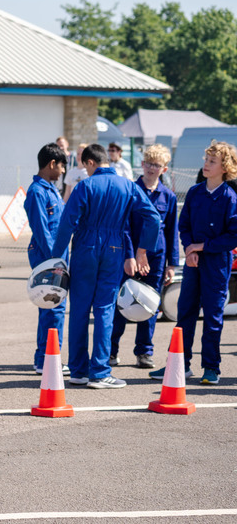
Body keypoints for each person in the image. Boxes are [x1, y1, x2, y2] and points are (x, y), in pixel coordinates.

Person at [51, 143, 160, 389]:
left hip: (84, 248)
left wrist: (56, 259)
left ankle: (78, 371)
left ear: (91, 162)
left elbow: (67, 223)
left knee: (79, 309)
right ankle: (100, 372)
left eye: (84, 165)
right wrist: (143, 250)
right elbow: (153, 217)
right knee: (105, 309)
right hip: (114, 249)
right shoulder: (128, 186)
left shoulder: (85, 186)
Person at [151, 141, 237, 386]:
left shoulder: (230, 197)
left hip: (217, 263)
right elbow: (184, 225)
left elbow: (233, 235)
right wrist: (189, 249)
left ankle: (211, 367)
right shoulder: (195, 192)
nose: (206, 165)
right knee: (185, 312)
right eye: (206, 160)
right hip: (192, 262)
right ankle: (178, 363)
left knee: (212, 316)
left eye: (212, 161)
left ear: (225, 167)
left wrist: (203, 247)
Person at [109, 144, 178, 370]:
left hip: (156, 259)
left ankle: (144, 352)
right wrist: (130, 256)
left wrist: (172, 264)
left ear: (164, 170)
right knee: (122, 303)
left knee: (149, 306)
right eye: (148, 163)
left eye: (156, 165)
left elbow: (171, 231)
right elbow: (124, 227)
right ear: (142, 164)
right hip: (129, 257)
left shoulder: (168, 196)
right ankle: (111, 351)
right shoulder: (129, 190)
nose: (151, 168)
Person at [24, 143, 68, 374]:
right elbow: (42, 229)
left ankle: (45, 358)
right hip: (48, 256)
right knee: (53, 306)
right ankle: (47, 360)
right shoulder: (37, 192)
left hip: (55, 255)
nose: (63, 171)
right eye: (61, 166)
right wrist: (55, 261)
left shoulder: (49, 188)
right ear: (52, 164)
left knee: (51, 307)